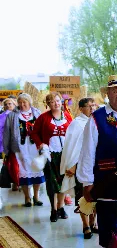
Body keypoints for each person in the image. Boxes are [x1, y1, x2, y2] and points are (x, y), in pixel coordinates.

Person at [76, 74, 117, 247]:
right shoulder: (96, 118)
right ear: (108, 94)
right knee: (109, 231)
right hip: (106, 182)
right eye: (115, 92)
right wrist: (87, 183)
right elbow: (87, 152)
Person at [31, 92, 73, 222]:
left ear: (61, 102)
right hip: (49, 154)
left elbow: (73, 132)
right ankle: (53, 209)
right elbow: (34, 133)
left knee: (63, 182)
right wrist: (40, 144)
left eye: (58, 101)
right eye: (52, 101)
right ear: (48, 104)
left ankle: (61, 207)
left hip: (64, 155)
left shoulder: (67, 116)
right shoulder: (43, 118)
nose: (56, 103)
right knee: (51, 183)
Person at [60, 97, 97, 239]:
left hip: (95, 165)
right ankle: (85, 225)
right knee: (83, 196)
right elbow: (73, 148)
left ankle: (94, 222)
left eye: (94, 105)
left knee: (95, 195)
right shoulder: (77, 124)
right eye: (89, 106)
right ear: (81, 108)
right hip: (80, 166)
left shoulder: (96, 122)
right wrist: (73, 165)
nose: (92, 108)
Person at [3, 94, 45, 206]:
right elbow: (6, 132)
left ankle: (36, 196)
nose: (22, 104)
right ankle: (27, 197)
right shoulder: (12, 115)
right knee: (23, 171)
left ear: (29, 102)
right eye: (20, 102)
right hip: (20, 148)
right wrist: (6, 149)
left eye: (24, 102)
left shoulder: (37, 113)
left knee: (37, 169)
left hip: (34, 147)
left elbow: (43, 129)